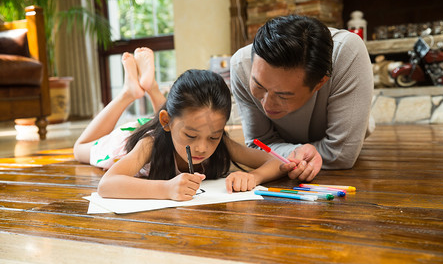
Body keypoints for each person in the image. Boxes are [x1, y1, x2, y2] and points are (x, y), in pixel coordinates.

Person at [74, 48, 286, 201]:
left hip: (169, 124)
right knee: (80, 149)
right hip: (127, 140)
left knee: (180, 120)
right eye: (191, 137)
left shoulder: (218, 142)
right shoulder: (149, 144)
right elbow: (107, 185)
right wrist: (166, 189)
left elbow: (278, 162)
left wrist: (253, 176)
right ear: (165, 121)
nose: (203, 147)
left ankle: (152, 88)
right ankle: (128, 93)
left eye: (214, 136)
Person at [230, 15, 374, 182]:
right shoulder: (241, 66)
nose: (267, 105)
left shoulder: (347, 53)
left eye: (283, 95)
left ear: (320, 83)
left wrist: (284, 154)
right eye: (259, 86)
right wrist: (300, 153)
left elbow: (341, 154)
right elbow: (258, 144)